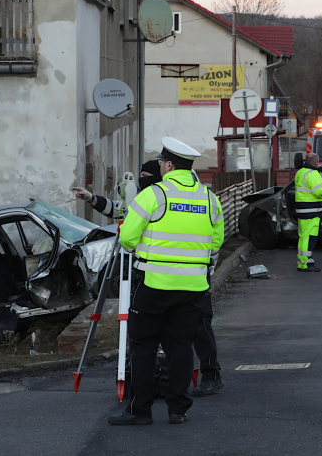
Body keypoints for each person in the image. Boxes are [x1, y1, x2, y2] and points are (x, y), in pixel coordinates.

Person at [108, 137, 224, 426]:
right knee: (181, 346)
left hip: (154, 285)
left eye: (161, 162)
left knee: (144, 345)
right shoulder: (209, 198)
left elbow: (127, 238)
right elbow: (216, 242)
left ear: (169, 165)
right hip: (193, 288)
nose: (160, 166)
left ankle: (140, 410)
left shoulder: (154, 195)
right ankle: (178, 410)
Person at [71, 160, 162, 218]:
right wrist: (90, 198)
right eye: (141, 175)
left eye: (145, 175)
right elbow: (116, 209)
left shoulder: (162, 200)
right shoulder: (140, 199)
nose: (141, 179)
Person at [295, 153, 322, 272]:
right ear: (315, 163)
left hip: (302, 209)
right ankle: (306, 263)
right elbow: (320, 192)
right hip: (312, 210)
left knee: (303, 236)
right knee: (309, 237)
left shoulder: (300, 172)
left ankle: (303, 261)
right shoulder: (313, 173)